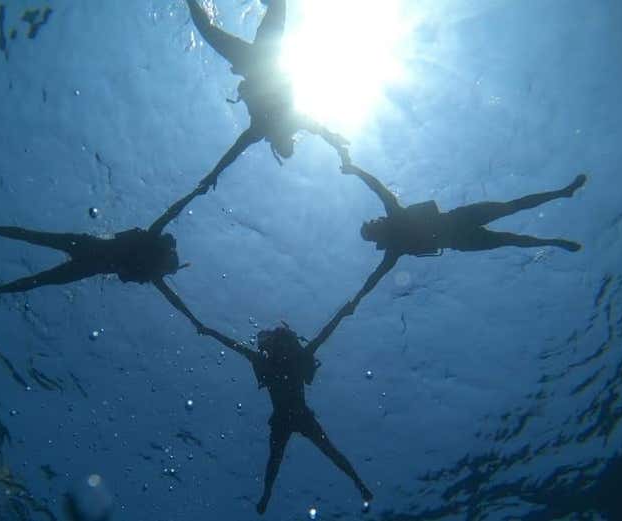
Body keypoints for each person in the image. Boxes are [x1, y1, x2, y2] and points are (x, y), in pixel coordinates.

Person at [160, 287, 371, 514]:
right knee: (293, 456)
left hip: (291, 416)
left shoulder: (274, 360)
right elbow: (324, 332)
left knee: (297, 456)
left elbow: (233, 344)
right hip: (292, 416)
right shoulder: (285, 358)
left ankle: (353, 483)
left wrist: (209, 330)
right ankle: (353, 484)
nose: (274, 347)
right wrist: (343, 312)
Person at [340, 163, 587, 315]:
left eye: (373, 221)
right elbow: (377, 276)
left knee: (511, 212)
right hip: (461, 236)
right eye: (373, 225)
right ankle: (554, 236)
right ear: (376, 234)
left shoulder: (395, 235)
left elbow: (376, 186)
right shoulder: (394, 243)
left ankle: (563, 194)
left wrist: (356, 170)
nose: (376, 221)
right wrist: (358, 298)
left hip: (460, 227)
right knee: (510, 230)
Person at [186, 0, 350, 191]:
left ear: (277, 144)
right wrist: (336, 142)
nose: (286, 137)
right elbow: (321, 130)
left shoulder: (262, 129)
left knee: (209, 30)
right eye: (288, 141)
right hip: (265, 58)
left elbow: (234, 152)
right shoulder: (290, 122)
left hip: (257, 60)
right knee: (276, 6)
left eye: (284, 142)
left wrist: (215, 173)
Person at [0, 187, 203, 303]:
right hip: (87, 254)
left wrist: (195, 194)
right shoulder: (152, 252)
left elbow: (171, 213)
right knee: (33, 246)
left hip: (86, 254)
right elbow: (171, 212)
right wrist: (194, 193)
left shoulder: (152, 269)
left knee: (35, 259)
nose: (163, 267)